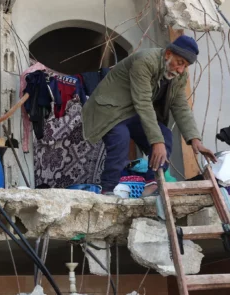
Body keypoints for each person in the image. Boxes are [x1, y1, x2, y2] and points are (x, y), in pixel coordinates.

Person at [82, 35, 217, 194]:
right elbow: (143, 102)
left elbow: (181, 106)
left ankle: (152, 183)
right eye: (180, 63)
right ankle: (108, 190)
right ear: (168, 54)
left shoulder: (179, 76)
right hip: (110, 109)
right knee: (121, 138)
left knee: (165, 135)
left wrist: (195, 140)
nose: (181, 70)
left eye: (185, 66)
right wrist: (156, 141)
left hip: (132, 111)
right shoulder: (145, 61)